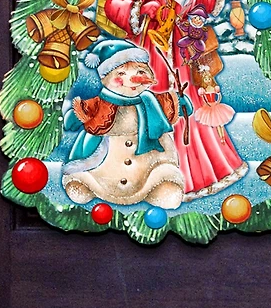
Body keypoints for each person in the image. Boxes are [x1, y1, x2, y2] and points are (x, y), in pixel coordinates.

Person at [105, 0, 247, 200]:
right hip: (150, 56)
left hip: (182, 59)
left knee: (188, 112)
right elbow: (115, 3)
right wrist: (141, 10)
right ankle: (148, 181)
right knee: (152, 114)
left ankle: (197, 174)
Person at [61, 39, 187, 209]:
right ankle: (85, 185)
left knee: (162, 177)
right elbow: (76, 118)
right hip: (104, 172)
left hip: (147, 171)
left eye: (140, 71)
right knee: (88, 181)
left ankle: (161, 189)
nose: (132, 79)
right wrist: (75, 117)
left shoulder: (152, 103)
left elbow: (174, 105)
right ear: (106, 78)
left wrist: (182, 102)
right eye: (121, 73)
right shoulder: (100, 104)